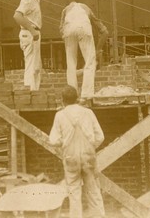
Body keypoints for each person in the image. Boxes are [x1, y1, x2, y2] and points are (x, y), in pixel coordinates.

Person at [49, 86, 106, 218]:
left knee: (74, 193)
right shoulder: (88, 113)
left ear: (63, 101)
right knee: (93, 190)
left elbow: (53, 140)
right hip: (88, 156)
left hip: (71, 158)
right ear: (77, 98)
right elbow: (100, 137)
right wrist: (91, 147)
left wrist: (64, 143)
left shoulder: (60, 115)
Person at [60, 0, 109, 99]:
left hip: (68, 29)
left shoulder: (65, 10)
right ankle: (87, 94)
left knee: (71, 64)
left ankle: (72, 96)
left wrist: (68, 38)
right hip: (84, 27)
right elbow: (105, 32)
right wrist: (97, 50)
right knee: (90, 63)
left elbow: (61, 29)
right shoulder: (87, 9)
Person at [13, 0, 43, 90]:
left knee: (36, 67)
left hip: (33, 33)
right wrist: (32, 30)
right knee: (31, 66)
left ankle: (35, 92)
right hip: (29, 33)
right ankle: (30, 92)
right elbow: (17, 15)